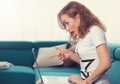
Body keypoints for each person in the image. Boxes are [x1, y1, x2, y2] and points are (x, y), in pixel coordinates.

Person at [37, 1, 111, 84]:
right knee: (42, 82)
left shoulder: (95, 30)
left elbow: (106, 63)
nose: (67, 28)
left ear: (78, 17)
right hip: (85, 80)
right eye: (65, 25)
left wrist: (85, 82)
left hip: (96, 82)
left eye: (67, 23)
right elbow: (88, 62)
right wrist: (69, 55)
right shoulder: (83, 36)